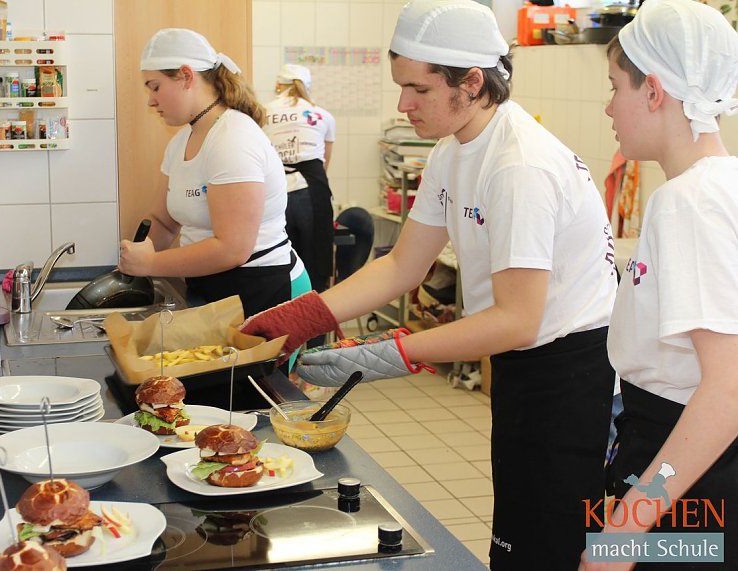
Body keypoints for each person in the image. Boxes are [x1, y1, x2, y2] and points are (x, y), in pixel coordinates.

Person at [240, 1, 617, 569]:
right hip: (522, 362)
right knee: (517, 532)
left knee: (547, 546)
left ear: (472, 82)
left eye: (418, 89)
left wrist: (392, 353)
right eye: (402, 86)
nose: (403, 104)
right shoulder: (453, 149)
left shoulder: (519, 166)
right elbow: (402, 265)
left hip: (570, 372)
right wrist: (304, 316)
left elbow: (518, 319)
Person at [580, 1, 738, 570]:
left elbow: (728, 388)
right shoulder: (723, 183)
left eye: (614, 86)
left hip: (691, 476)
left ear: (653, 90)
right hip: (692, 462)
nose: (608, 107)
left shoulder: (687, 202)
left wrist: (627, 526)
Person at [118, 28, 310, 319]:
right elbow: (164, 222)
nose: (151, 101)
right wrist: (132, 264)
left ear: (186, 76)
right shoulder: (180, 142)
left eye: (155, 87)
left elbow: (232, 249)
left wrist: (150, 264)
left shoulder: (233, 138)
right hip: (211, 286)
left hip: (263, 289)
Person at [262, 64, 336, 301]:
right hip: (312, 193)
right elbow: (324, 164)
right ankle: (315, 319)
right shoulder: (322, 115)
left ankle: (280, 319)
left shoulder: (261, 113)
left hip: (274, 193)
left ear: (278, 85)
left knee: (279, 261)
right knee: (315, 262)